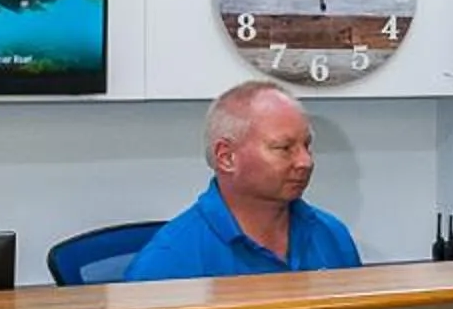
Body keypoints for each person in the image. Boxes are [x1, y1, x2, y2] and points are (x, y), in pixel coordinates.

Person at [126, 82, 362, 281]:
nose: (305, 162)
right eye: (284, 148)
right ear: (226, 157)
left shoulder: (331, 235)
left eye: (307, 146)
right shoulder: (169, 262)